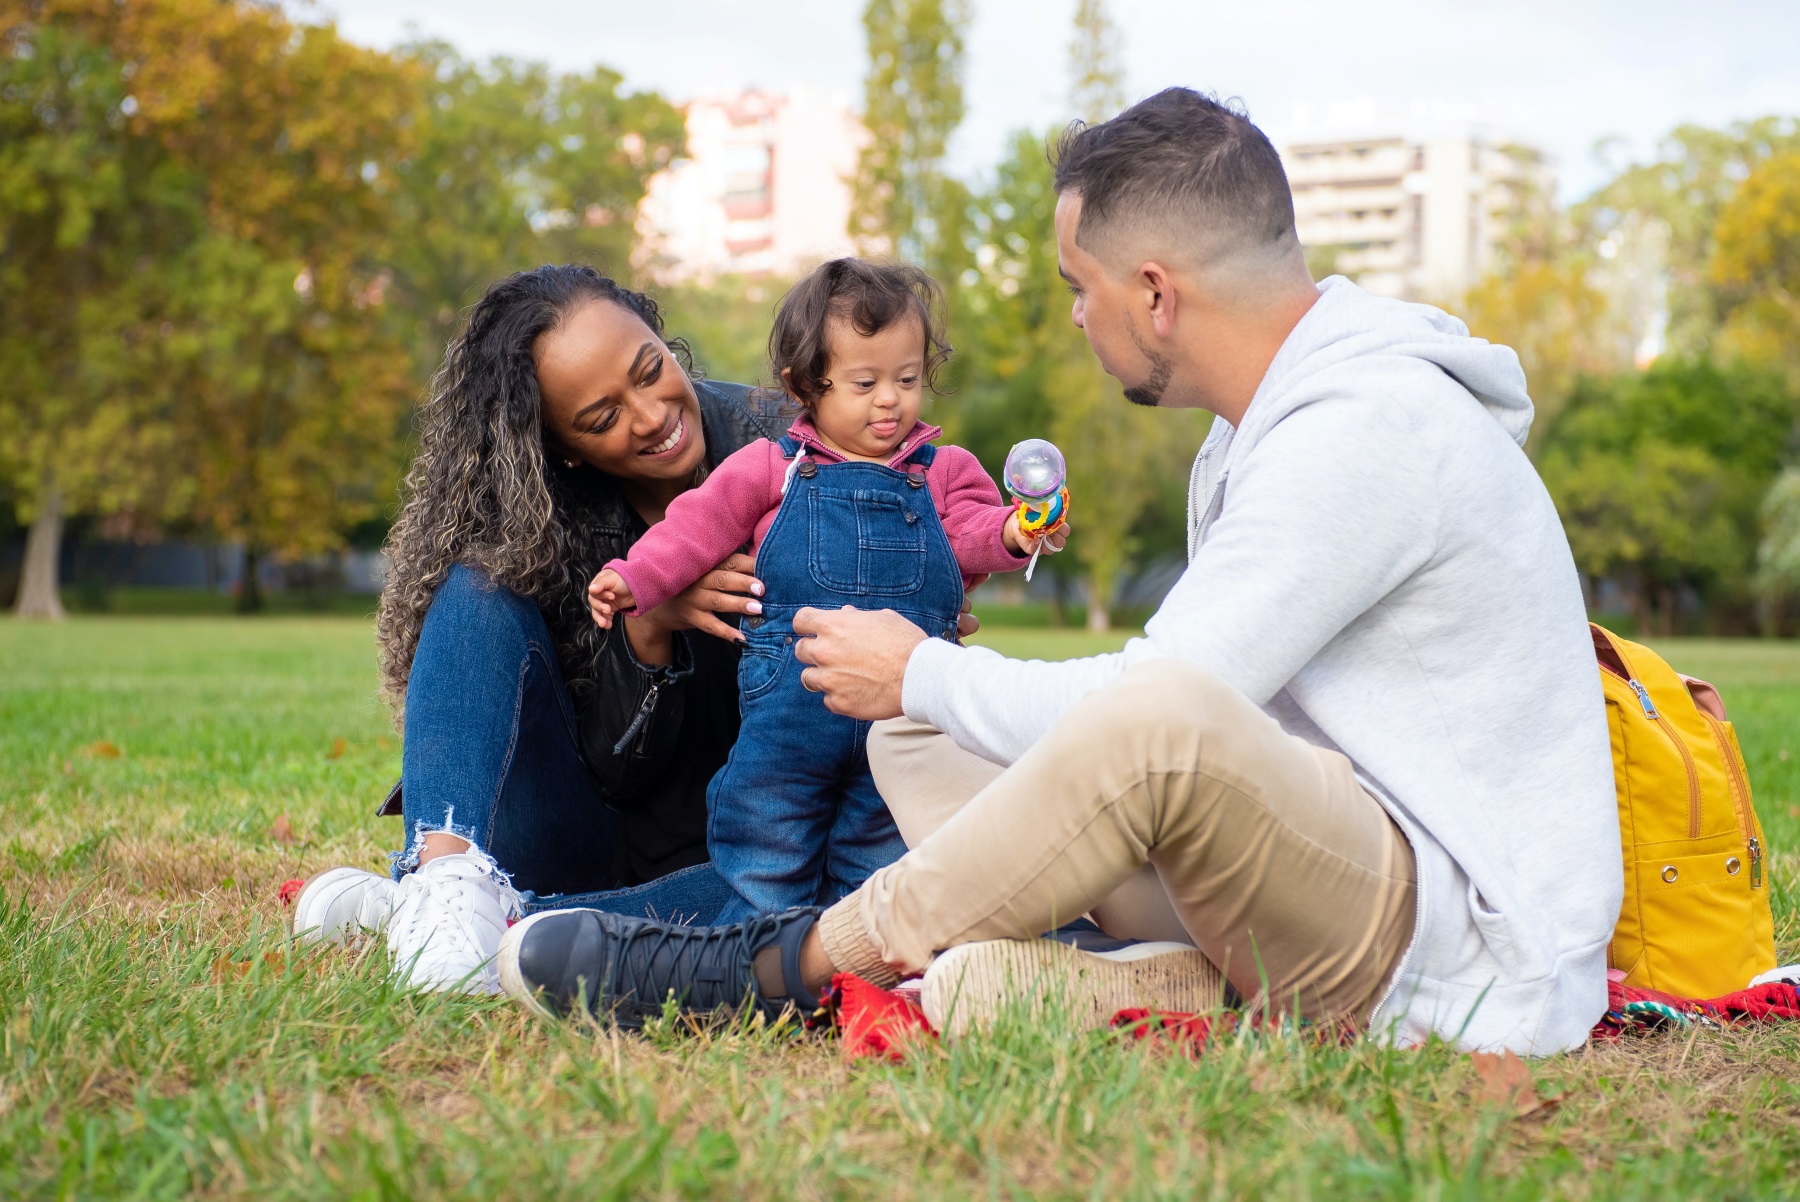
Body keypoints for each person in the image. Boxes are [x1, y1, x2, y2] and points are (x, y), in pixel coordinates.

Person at [496, 88, 1623, 1056]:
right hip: (1303, 858)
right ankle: (1151, 969)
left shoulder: (1367, 432)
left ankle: (781, 961)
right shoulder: (1260, 428)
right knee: (916, 735)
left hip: (1443, 928)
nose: (1078, 315)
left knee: (1129, 714)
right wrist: (923, 686)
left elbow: (1169, 710)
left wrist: (924, 663)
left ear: (1155, 292)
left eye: (1081, 288)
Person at [288, 264, 818, 993]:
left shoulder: (797, 444)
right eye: (601, 418)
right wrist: (648, 625)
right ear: (565, 447)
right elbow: (614, 774)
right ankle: (445, 877)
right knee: (476, 587)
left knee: (818, 901)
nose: (651, 415)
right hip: (589, 827)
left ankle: (456, 920)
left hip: (758, 846)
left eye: (649, 370)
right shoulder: (541, 518)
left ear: (664, 341)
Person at [588, 260, 1061, 921]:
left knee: (883, 849)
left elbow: (970, 532)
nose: (890, 399)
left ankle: (848, 958)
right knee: (767, 833)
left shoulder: (945, 471)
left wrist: (1013, 532)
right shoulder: (772, 468)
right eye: (865, 383)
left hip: (902, 718)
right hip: (791, 708)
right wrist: (635, 577)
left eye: (908, 378)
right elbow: (694, 528)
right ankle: (755, 949)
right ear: (805, 386)